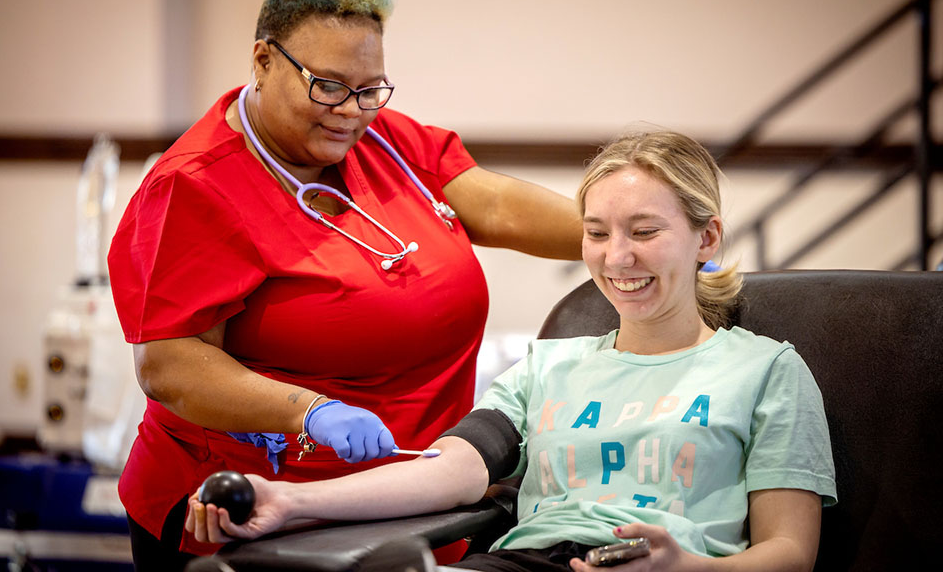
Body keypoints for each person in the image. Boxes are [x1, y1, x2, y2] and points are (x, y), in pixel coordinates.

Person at [107, 0, 582, 571]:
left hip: (416, 503)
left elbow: (493, 205)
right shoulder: (193, 187)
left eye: (368, 89)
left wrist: (625, 242)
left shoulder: (382, 138)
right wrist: (309, 411)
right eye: (328, 86)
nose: (351, 110)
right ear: (263, 59)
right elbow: (170, 366)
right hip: (251, 518)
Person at [185, 130, 838, 572]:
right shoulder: (547, 367)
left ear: (706, 237)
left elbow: (791, 551)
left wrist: (689, 568)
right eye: (596, 233)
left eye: (645, 232)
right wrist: (287, 501)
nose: (617, 258)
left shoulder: (767, 371)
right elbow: (450, 470)